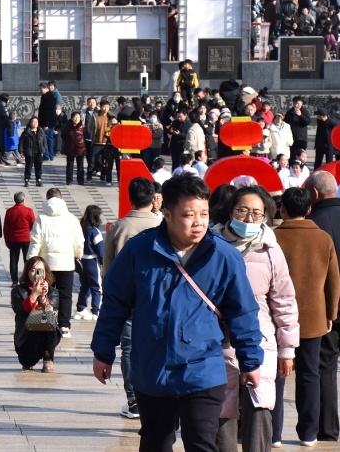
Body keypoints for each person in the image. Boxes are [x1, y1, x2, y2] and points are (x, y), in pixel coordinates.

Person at [91, 174, 264, 452]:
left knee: (202, 443)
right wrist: (103, 351)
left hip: (203, 368)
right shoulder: (139, 251)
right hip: (153, 369)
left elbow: (242, 312)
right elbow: (114, 303)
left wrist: (251, 360)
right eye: (188, 215)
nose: (198, 222)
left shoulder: (224, 256)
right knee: (155, 443)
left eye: (204, 214)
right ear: (167, 214)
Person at [211, 185, 299, 452]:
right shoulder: (211, 245)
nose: (249, 218)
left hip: (261, 342)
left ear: (265, 216)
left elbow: (284, 301)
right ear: (231, 211)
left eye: (257, 213)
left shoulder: (271, 250)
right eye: (243, 210)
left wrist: (287, 349)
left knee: (260, 407)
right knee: (222, 411)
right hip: (218, 342)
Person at [274, 187, 340, 446]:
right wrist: (330, 313)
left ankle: (274, 434)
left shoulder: (274, 238)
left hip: (278, 318)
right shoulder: (323, 238)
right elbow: (333, 281)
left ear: (283, 209)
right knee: (310, 373)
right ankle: (309, 433)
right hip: (314, 317)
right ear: (309, 208)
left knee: (277, 374)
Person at [103, 177, 164, 420]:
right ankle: (159, 395)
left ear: (130, 198)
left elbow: (107, 268)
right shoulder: (163, 225)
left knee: (128, 348)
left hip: (128, 297)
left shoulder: (118, 227)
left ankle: (134, 400)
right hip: (159, 298)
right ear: (153, 199)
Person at [306, 171, 340, 442]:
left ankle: (327, 429)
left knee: (325, 367)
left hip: (328, 307)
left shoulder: (312, 224)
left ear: (315, 193)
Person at [27, 193, 84, 337]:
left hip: (45, 265)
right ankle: (64, 326)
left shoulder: (41, 218)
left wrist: (32, 260)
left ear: (47, 199)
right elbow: (78, 240)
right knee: (65, 295)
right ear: (62, 199)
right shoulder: (71, 218)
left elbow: (35, 241)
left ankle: (44, 322)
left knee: (43, 291)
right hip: (66, 263)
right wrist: (78, 253)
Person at [11, 256, 62, 372]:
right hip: (26, 337)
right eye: (33, 270)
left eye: (40, 271)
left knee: (49, 324)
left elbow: (52, 313)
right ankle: (29, 360)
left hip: (46, 336)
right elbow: (19, 310)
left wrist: (43, 296)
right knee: (27, 362)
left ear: (45, 273)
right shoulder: (18, 291)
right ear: (27, 272)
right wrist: (34, 294)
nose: (36, 274)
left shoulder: (53, 292)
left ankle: (48, 359)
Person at [74, 205, 104, 321]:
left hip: (82, 260)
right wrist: (103, 262)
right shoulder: (94, 231)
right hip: (92, 261)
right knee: (96, 287)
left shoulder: (81, 229)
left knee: (85, 286)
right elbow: (100, 249)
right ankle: (96, 311)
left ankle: (80, 309)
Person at [4, 192, 36, 284]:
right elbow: (33, 225)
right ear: (23, 200)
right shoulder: (29, 211)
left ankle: (14, 280)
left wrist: (7, 240)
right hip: (26, 239)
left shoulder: (10, 211)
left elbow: (6, 228)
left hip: (13, 239)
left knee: (13, 260)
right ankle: (27, 279)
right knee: (27, 260)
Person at [19, 116, 47, 187]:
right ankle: (27, 180)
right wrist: (21, 151)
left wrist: (44, 149)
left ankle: (38, 180)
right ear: (30, 123)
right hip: (29, 152)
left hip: (39, 152)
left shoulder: (41, 131)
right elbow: (21, 142)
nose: (35, 123)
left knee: (39, 167)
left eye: (36, 122)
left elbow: (44, 141)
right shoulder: (26, 132)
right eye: (33, 122)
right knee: (28, 167)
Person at [61, 111, 87, 186]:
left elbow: (86, 136)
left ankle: (80, 180)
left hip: (80, 147)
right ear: (72, 118)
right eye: (75, 117)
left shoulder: (82, 127)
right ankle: (69, 180)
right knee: (70, 164)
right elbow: (63, 135)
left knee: (80, 165)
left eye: (78, 117)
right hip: (70, 147)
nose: (76, 119)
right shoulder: (67, 126)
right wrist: (68, 141)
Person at [38, 82, 58, 161]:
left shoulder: (48, 97)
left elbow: (48, 112)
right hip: (49, 123)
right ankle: (50, 155)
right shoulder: (48, 96)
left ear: (46, 88)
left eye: (41, 88)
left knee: (45, 139)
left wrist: (46, 124)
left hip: (47, 123)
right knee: (49, 139)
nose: (40, 90)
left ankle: (47, 155)